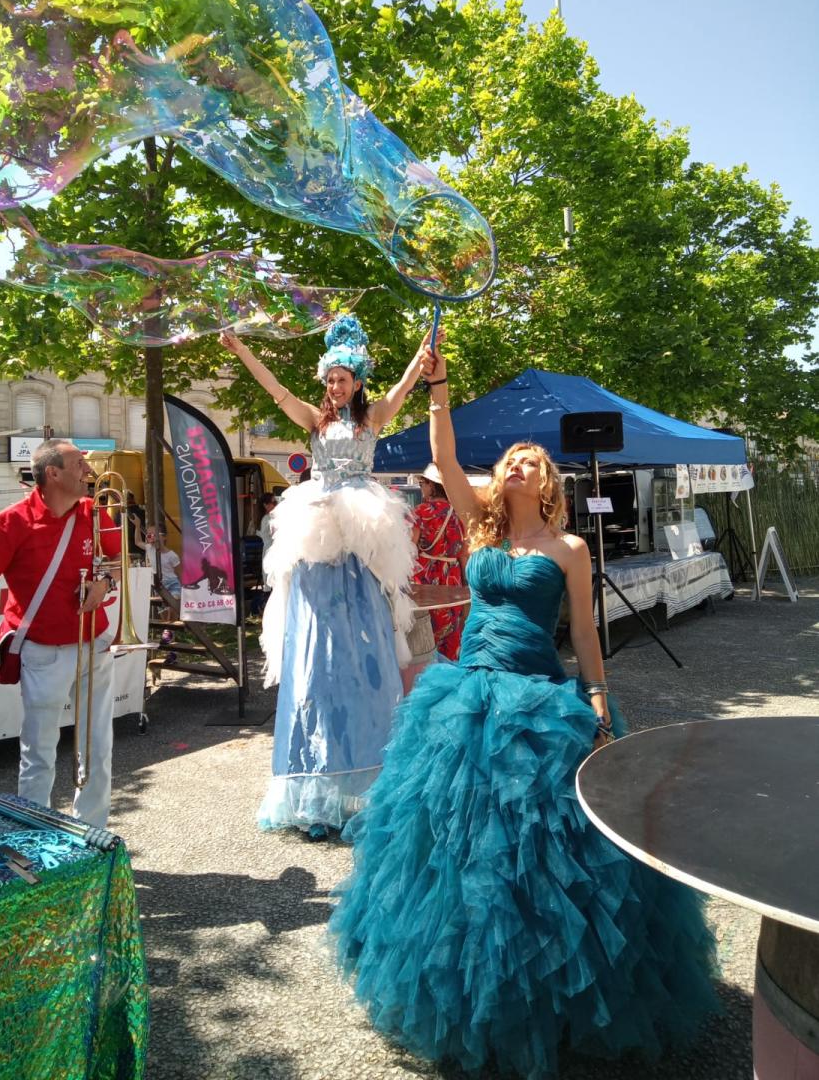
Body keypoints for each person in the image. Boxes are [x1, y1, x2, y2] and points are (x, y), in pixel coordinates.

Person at [329, 344, 719, 1078]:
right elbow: (443, 455)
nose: (518, 464)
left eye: (532, 461)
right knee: (449, 845)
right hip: (465, 692)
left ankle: (553, 1000)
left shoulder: (570, 548)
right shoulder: (482, 529)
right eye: (511, 458)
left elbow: (581, 633)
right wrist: (437, 386)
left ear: (549, 483)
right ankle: (452, 983)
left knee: (545, 853)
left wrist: (598, 697)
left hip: (536, 696)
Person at [220, 315, 423, 835]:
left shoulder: (371, 418)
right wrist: (240, 347)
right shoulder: (314, 420)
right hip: (315, 530)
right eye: (329, 377)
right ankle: (314, 789)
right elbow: (275, 389)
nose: (335, 385)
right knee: (315, 654)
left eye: (343, 377)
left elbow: (404, 386)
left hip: (362, 529)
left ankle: (371, 780)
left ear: (357, 380)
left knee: (368, 651)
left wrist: (424, 352)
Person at [0, 439, 121, 829]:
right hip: (43, 651)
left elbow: (117, 564)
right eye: (79, 464)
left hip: (94, 645)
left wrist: (105, 584)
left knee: (98, 748)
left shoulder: (95, 512)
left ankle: (90, 836)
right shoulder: (12, 521)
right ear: (53, 473)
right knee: (39, 753)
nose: (88, 471)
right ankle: (35, 839)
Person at [411, 461, 467, 660]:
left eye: (422, 483)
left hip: (426, 579)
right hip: (453, 579)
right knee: (451, 632)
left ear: (432, 485)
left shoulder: (419, 513)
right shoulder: (460, 513)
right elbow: (464, 553)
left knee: (425, 633)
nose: (421, 488)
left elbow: (410, 547)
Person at [132, 519, 182, 599]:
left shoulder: (172, 555)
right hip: (159, 586)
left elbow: (180, 574)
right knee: (161, 608)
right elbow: (137, 542)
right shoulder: (149, 548)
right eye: (148, 535)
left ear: (164, 537)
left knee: (173, 602)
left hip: (173, 584)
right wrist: (137, 526)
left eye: (154, 535)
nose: (151, 538)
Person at [257, 491, 278, 586]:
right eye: (273, 502)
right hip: (272, 550)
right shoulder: (268, 519)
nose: (275, 505)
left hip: (270, 549)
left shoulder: (265, 518)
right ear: (265, 505)